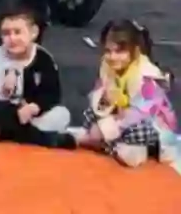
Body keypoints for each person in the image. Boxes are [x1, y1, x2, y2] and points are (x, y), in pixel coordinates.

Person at [75, 19, 178, 168]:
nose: (113, 57)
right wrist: (103, 111)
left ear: (134, 52)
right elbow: (99, 95)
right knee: (92, 113)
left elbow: (140, 115)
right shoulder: (108, 67)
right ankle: (108, 143)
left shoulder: (146, 77)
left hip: (148, 124)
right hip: (119, 116)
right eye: (108, 51)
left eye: (119, 51)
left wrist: (110, 128)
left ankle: (116, 146)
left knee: (139, 131)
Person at [0, 5, 76, 150]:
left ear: (33, 33)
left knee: (62, 115)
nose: (12, 38)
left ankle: (8, 132)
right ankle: (44, 139)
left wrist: (35, 107)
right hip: (8, 110)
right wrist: (8, 96)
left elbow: (52, 93)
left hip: (34, 114)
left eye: (18, 32)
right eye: (6, 33)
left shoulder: (44, 58)